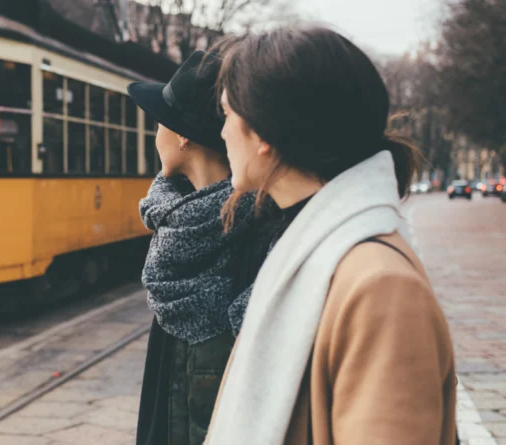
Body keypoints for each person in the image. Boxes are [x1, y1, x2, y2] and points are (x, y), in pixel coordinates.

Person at [205, 27, 457, 445]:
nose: (222, 133)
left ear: (265, 134)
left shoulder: (381, 289)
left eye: (228, 114)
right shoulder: (314, 250)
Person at [129, 50, 278, 445]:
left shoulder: (264, 233)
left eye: (158, 121)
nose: (154, 133)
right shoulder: (178, 225)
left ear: (182, 136)